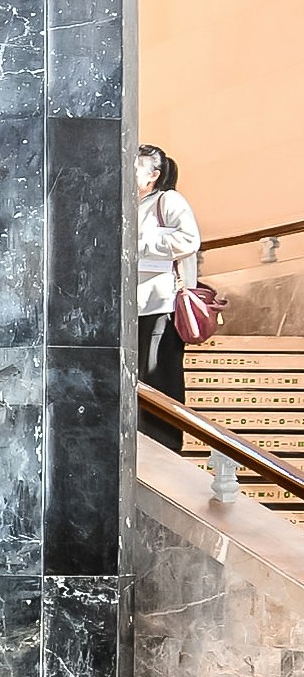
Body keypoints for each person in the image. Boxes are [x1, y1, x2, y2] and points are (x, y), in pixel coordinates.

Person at [136, 144, 201, 451]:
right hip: (134, 306)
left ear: (154, 175)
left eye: (136, 167)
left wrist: (142, 243)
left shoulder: (168, 200)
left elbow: (189, 239)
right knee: (140, 376)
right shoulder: (131, 204)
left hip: (161, 304)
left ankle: (164, 446)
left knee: (159, 376)